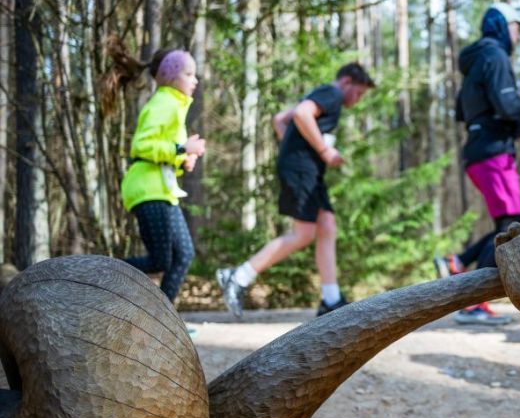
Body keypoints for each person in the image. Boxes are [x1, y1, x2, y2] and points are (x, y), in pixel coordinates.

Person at [217, 63, 375, 318]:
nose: (358, 99)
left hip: (305, 167)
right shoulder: (332, 93)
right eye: (358, 93)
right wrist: (322, 150)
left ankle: (331, 299)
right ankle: (237, 277)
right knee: (303, 234)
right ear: (346, 81)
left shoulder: (323, 94)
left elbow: (280, 119)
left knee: (327, 226)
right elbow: (302, 114)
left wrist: (293, 147)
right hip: (303, 170)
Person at [434, 2, 520, 325]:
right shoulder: (495, 56)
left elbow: (462, 111)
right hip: (493, 152)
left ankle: (457, 261)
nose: (518, 35)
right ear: (502, 26)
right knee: (513, 226)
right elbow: (508, 104)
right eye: (516, 27)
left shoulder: (475, 62)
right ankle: (474, 303)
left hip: (479, 150)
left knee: (511, 221)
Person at [104, 45, 205, 305]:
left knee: (183, 255)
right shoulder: (164, 103)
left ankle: (163, 319)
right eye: (189, 74)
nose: (195, 80)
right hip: (147, 190)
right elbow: (141, 146)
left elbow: (163, 152)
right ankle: (99, 271)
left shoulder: (175, 104)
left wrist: (183, 161)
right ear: (172, 76)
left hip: (163, 189)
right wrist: (182, 148)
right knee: (160, 260)